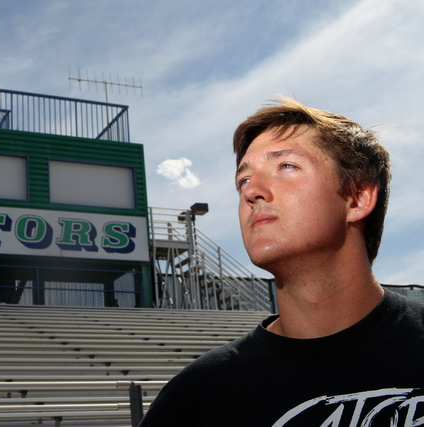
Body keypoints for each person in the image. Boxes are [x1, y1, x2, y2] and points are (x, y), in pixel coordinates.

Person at [139, 97, 424, 426]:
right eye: (243, 181)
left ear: (358, 197)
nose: (252, 192)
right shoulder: (196, 398)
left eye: (285, 166)